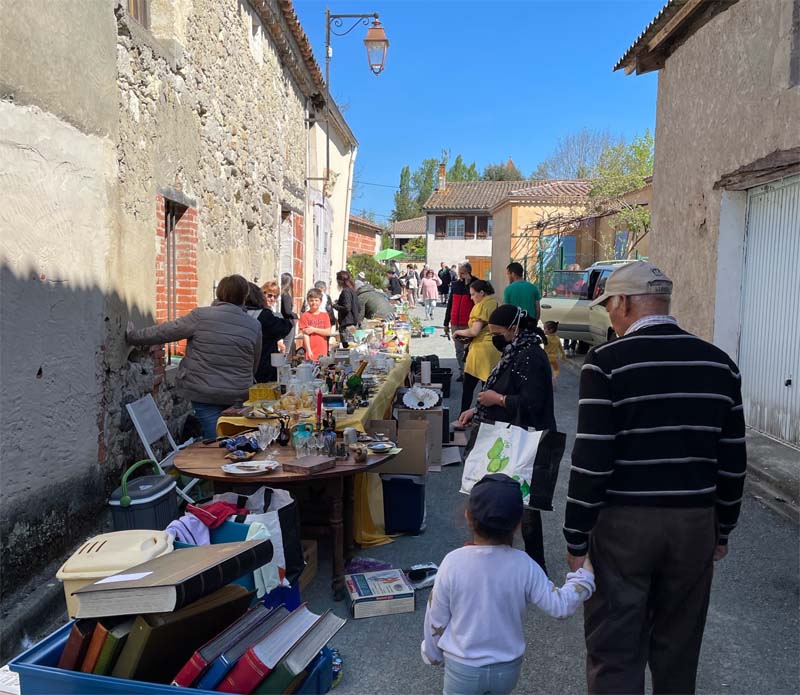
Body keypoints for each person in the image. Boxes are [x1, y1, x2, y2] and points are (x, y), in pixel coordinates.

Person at [563, 261, 747, 694]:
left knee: (614, 647)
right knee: (680, 647)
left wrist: (575, 538)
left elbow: (592, 459)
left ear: (623, 303)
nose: (610, 314)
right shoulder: (721, 365)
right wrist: (723, 528)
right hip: (694, 524)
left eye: (610, 305)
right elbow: (733, 461)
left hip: (625, 525)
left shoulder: (606, 363)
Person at [421, 473, 595, 695]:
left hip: (462, 668)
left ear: (468, 516)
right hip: (506, 669)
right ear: (518, 525)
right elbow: (560, 606)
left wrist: (432, 654)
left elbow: (435, 617)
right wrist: (586, 574)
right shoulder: (525, 565)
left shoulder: (453, 562)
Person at [458, 303, 557, 572]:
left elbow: (534, 402)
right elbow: (504, 386)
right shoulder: (515, 351)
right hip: (509, 435)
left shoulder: (531, 356)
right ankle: (504, 565)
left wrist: (497, 399)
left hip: (527, 440)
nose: (495, 338)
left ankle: (537, 569)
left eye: (497, 332)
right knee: (505, 502)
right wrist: (476, 408)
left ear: (514, 328)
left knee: (525, 507)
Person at [126, 274, 261, 439]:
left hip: (204, 390)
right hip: (238, 393)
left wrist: (134, 336)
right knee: (235, 440)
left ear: (219, 293)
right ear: (244, 296)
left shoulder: (201, 316)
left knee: (215, 442)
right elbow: (254, 363)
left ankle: (213, 461)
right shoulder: (254, 325)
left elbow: (167, 331)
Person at [453, 280, 499, 414]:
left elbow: (474, 331)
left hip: (480, 351)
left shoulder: (481, 306)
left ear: (482, 293)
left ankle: (463, 416)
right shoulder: (494, 303)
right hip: (493, 350)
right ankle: (486, 417)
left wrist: (458, 332)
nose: (471, 298)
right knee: (487, 388)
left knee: (468, 388)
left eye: (473, 294)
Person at [246, 283, 292, 382]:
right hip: (262, 367)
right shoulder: (263, 315)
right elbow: (285, 326)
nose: (272, 299)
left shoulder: (237, 313)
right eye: (269, 295)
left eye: (275, 297)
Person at [443, 263, 476, 382]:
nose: (460, 275)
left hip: (468, 323)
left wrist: (468, 284)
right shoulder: (456, 284)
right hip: (455, 322)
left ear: (468, 272)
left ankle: (470, 372)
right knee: (459, 350)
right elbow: (450, 304)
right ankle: (463, 372)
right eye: (459, 272)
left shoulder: (475, 284)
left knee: (469, 350)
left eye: (462, 273)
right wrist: (446, 322)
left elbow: (475, 300)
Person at [299, 288, 334, 361]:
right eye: (311, 300)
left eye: (316, 300)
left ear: (320, 301)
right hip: (310, 350)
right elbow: (305, 335)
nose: (314, 302)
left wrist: (314, 330)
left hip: (322, 350)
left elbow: (328, 332)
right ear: (308, 302)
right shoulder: (305, 315)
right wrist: (308, 350)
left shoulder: (325, 315)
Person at [333, 270, 361, 348]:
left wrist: (334, 305)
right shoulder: (352, 290)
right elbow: (358, 307)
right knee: (352, 348)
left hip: (347, 324)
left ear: (339, 281)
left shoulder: (346, 291)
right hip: (353, 323)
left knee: (348, 348)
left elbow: (347, 308)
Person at [542, 320, 566, 390]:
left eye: (545, 328)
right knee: (556, 370)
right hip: (554, 358)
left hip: (546, 357)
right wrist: (563, 356)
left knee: (545, 370)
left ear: (550, 330)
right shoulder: (557, 339)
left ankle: (546, 382)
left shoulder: (546, 338)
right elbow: (561, 348)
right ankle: (554, 378)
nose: (544, 330)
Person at [279, 272, 298, 357]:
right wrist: (296, 316)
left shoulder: (280, 295)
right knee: (286, 350)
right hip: (287, 323)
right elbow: (287, 311)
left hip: (281, 323)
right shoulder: (286, 295)